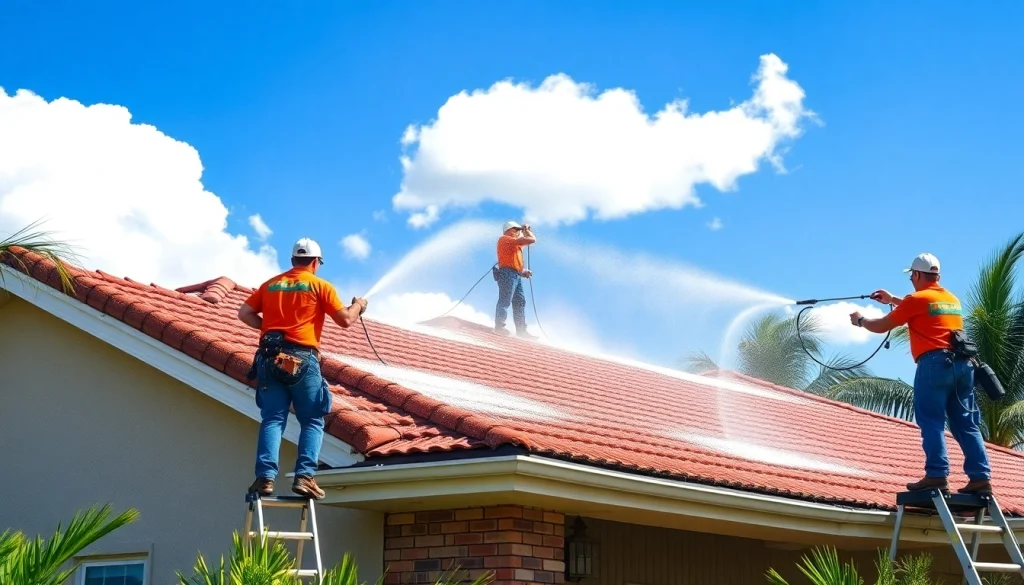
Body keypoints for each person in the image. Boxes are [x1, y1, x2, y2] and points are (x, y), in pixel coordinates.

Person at [849, 252, 992, 494]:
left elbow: (882, 325)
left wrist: (860, 320)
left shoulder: (916, 299)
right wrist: (893, 299)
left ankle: (936, 475)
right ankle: (980, 478)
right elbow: (926, 308)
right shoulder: (951, 299)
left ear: (916, 275)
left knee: (931, 420)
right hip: (964, 365)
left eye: (911, 277)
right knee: (966, 423)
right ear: (938, 276)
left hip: (934, 364)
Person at [238, 237, 369, 499]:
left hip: (269, 358)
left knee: (273, 419)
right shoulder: (319, 285)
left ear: (292, 260)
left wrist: (268, 328)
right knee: (311, 419)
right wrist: (359, 305)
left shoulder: (271, 284)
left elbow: (244, 313)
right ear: (315, 262)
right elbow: (345, 320)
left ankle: (265, 478)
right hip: (301, 359)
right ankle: (305, 477)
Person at [494, 221, 537, 338]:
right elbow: (532, 240)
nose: (518, 232)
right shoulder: (504, 239)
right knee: (505, 300)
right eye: (516, 230)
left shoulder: (515, 245)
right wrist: (527, 231)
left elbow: (512, 262)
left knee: (520, 302)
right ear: (509, 230)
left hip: (515, 274)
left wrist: (523, 271)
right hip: (507, 274)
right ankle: (499, 327)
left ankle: (522, 331)